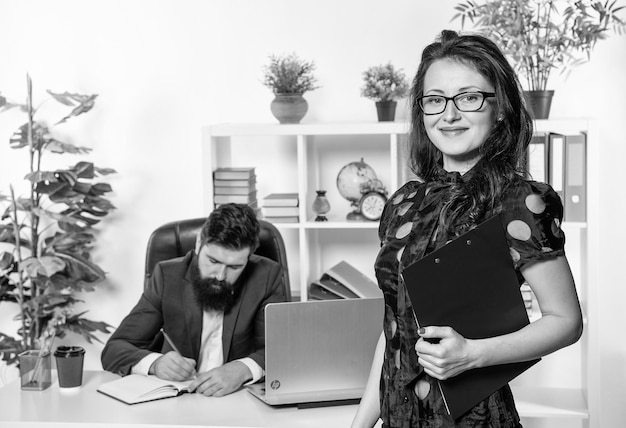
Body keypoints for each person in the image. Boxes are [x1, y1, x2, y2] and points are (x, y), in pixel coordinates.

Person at [352, 30, 583, 427]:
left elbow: (566, 321)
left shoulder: (519, 201)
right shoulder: (403, 204)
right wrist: (360, 423)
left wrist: (473, 354)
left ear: (501, 109)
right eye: (435, 99)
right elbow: (395, 331)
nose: (450, 114)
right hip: (398, 417)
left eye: (469, 97)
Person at [101, 203, 288, 397]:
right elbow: (115, 349)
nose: (220, 276)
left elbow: (283, 349)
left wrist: (243, 369)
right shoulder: (167, 276)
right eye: (213, 261)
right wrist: (155, 364)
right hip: (178, 401)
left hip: (239, 399)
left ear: (249, 257)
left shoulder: (267, 276)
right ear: (199, 243)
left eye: (234, 267)